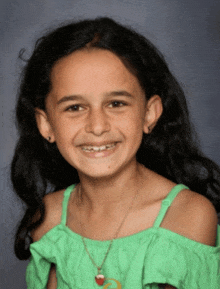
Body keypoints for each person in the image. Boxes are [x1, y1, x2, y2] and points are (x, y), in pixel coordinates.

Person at [11, 17, 220, 289]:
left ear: (149, 113)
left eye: (116, 103)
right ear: (46, 124)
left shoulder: (187, 216)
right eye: (75, 107)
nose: (97, 126)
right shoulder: (48, 219)